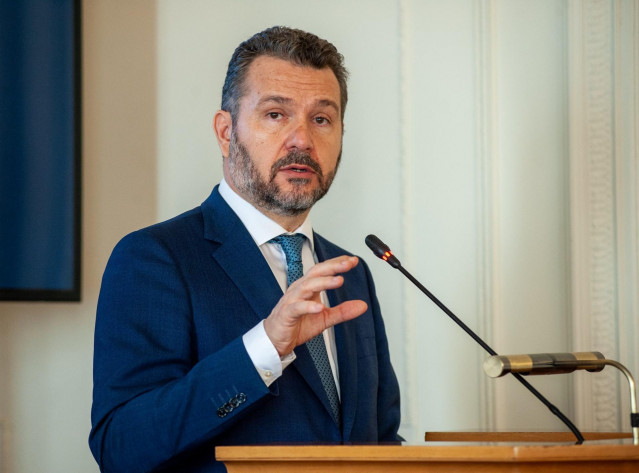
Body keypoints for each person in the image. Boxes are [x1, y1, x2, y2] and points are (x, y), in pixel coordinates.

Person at [89, 26, 402, 472]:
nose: (302, 140)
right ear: (225, 131)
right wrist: (265, 348)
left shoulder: (350, 273)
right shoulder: (155, 259)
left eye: (322, 119)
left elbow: (381, 439)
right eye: (276, 114)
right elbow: (122, 449)